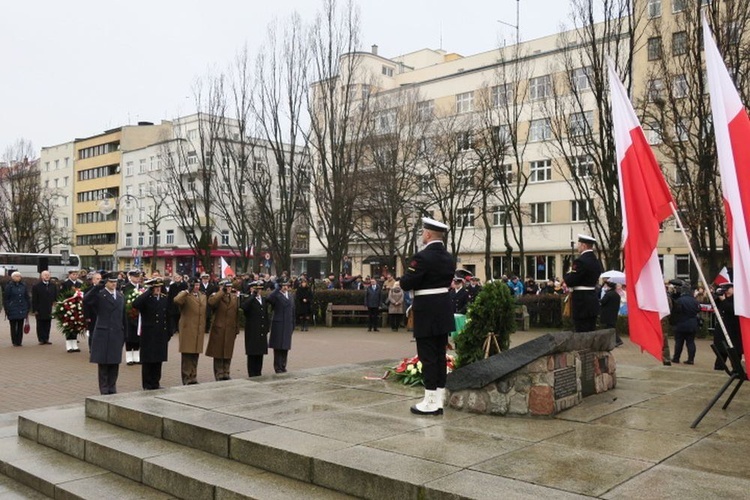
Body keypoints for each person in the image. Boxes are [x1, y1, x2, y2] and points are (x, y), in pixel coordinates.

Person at [399, 217, 456, 416]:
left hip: (427, 311)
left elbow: (407, 283)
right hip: (443, 309)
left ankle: (430, 400)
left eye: (423, 232)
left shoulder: (423, 257)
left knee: (428, 356)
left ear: (429, 234)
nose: (423, 235)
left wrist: (404, 278)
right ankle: (438, 399)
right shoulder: (449, 257)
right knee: (440, 356)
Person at [84, 275, 126, 394]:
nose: (114, 284)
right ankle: (104, 388)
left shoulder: (120, 296)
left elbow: (123, 317)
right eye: (111, 282)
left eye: (115, 282)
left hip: (117, 333)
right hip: (103, 332)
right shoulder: (100, 295)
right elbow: (86, 300)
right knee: (103, 363)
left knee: (114, 362)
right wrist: (97, 287)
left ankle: (112, 387)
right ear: (106, 283)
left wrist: (125, 333)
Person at [132, 278, 171, 389]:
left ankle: (156, 382)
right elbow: (136, 304)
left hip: (161, 333)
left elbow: (168, 315)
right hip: (149, 334)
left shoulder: (164, 299)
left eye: (159, 287)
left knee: (158, 360)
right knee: (148, 360)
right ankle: (147, 384)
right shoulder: (146, 299)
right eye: (155, 288)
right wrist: (148, 292)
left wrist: (169, 332)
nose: (158, 290)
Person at [563, 234, 604, 332]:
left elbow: (571, 281)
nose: (577, 246)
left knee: (581, 331)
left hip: (581, 301)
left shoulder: (580, 261)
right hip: (592, 298)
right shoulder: (596, 261)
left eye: (579, 244)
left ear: (584, 246)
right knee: (591, 330)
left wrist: (566, 274)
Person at [173, 280, 207, 384]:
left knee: (195, 355)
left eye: (197, 285)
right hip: (188, 329)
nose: (196, 287)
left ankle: (193, 376)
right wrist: (187, 291)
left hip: (198, 330)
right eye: (194, 285)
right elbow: (177, 300)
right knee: (187, 355)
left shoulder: (202, 295)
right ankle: (186, 377)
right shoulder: (185, 295)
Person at [206, 279, 241, 381]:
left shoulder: (234, 297)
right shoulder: (216, 296)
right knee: (218, 352)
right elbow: (211, 303)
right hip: (219, 329)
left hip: (230, 329)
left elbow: (236, 314)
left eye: (230, 287)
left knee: (228, 351)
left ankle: (226, 372)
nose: (229, 289)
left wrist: (237, 328)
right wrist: (222, 291)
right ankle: (219, 373)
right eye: (227, 287)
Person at [241, 280, 270, 377]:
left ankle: (258, 372)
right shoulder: (248, 299)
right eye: (256, 289)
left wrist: (266, 328)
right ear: (251, 289)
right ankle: (252, 373)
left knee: (260, 353)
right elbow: (244, 307)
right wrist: (253, 295)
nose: (259, 291)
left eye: (260, 289)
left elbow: (266, 315)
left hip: (261, 330)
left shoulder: (263, 299)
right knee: (252, 353)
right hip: (252, 331)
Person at [669, 280, 701, 365]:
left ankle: (676, 358)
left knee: (679, 342)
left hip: (681, 323)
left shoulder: (679, 300)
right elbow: (698, 309)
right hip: (692, 324)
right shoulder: (695, 301)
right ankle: (691, 359)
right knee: (690, 342)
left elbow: (676, 311)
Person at [267, 279, 295, 373]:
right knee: (278, 346)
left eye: (287, 285)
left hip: (287, 324)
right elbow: (269, 298)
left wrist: (293, 324)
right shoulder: (276, 295)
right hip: (278, 324)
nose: (285, 287)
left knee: (285, 346)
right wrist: (276, 289)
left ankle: (283, 365)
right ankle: (277, 367)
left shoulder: (290, 296)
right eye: (283, 285)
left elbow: (293, 311)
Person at [715, 282, 742, 371]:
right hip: (723, 330)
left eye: (728, 289)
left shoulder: (737, 299)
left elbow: (733, 310)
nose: (727, 292)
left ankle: (737, 369)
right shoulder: (724, 299)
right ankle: (719, 367)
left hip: (734, 331)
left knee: (735, 352)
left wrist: (724, 300)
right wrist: (718, 296)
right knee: (721, 350)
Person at [122, 269, 143, 365]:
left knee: (138, 335)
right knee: (130, 336)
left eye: (138, 277)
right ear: (130, 277)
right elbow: (125, 300)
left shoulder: (142, 287)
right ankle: (129, 357)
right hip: (129, 314)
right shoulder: (126, 287)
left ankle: (137, 356)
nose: (137, 279)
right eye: (135, 277)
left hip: (139, 315)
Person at [4, 271, 30, 347]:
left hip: (21, 308)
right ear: (12, 277)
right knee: (13, 326)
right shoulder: (9, 286)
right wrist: (7, 308)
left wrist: (27, 306)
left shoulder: (23, 285)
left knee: (20, 325)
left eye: (19, 276)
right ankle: (14, 341)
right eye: (16, 276)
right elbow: (6, 298)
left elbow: (26, 297)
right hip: (12, 308)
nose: (18, 278)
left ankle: (19, 341)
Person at [31, 270, 57, 345]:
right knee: (40, 324)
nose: (47, 276)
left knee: (48, 324)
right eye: (45, 275)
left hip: (49, 308)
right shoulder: (36, 286)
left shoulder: (53, 285)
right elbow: (34, 299)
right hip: (40, 308)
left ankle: (46, 338)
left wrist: (55, 305)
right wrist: (35, 309)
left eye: (48, 275)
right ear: (41, 276)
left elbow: (55, 296)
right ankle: (41, 339)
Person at [599, 280, 623, 346]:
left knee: (609, 328)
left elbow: (603, 301)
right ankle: (614, 341)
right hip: (613, 313)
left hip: (607, 313)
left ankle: (617, 341)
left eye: (606, 286)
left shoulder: (608, 294)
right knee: (611, 327)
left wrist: (598, 300)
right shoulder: (616, 294)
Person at [83, 272, 102, 348]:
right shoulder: (88, 290)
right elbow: (85, 304)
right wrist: (87, 316)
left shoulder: (104, 289)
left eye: (100, 279)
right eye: (97, 279)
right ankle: (92, 348)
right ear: (93, 280)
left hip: (101, 314)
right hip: (92, 314)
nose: (99, 280)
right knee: (92, 332)